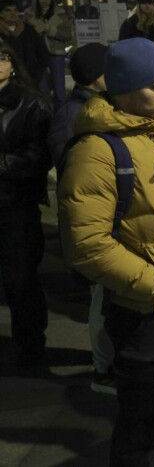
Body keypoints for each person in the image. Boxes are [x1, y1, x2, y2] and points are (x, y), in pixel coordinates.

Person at [59, 38, 154, 466]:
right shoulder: (96, 152)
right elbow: (87, 247)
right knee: (140, 423)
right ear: (125, 88)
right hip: (146, 316)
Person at [46, 42, 116, 393]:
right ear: (97, 75)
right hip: (94, 226)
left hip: (106, 221)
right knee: (101, 301)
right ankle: (103, 371)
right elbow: (71, 170)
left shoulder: (97, 106)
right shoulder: (72, 114)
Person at [0, 40, 52, 376]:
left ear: (11, 64)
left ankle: (31, 346)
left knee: (20, 282)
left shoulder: (30, 105)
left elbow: (37, 158)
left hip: (14, 206)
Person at [27, 0, 74, 105]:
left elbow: (68, 34)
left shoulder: (60, 14)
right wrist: (35, 31)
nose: (45, 2)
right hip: (37, 55)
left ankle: (61, 118)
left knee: (59, 89)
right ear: (36, 1)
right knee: (42, 89)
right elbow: (25, 36)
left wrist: (50, 30)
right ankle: (45, 117)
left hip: (56, 54)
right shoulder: (28, 15)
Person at [1, 0, 47, 87]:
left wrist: (37, 73)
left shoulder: (29, 31)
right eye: (8, 10)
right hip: (7, 81)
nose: (13, 13)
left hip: (31, 78)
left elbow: (43, 53)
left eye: (15, 10)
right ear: (1, 14)